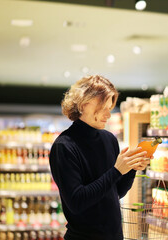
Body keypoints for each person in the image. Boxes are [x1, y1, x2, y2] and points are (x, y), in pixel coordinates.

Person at [49, 75, 150, 240]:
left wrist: (131, 168)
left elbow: (115, 192)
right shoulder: (64, 146)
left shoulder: (109, 139)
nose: (108, 115)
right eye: (104, 107)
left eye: (110, 108)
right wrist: (117, 171)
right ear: (83, 103)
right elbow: (76, 202)